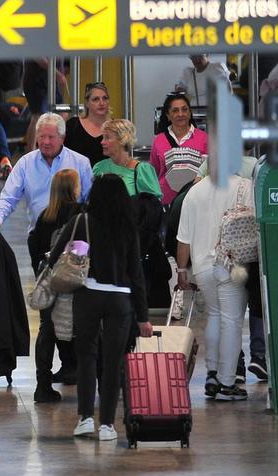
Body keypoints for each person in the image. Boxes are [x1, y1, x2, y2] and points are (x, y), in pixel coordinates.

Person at [47, 176, 152, 443]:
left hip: (88, 295)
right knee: (114, 362)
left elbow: (56, 254)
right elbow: (137, 274)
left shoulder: (81, 222)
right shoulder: (128, 227)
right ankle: (107, 425)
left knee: (86, 357)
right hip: (120, 298)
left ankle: (84, 418)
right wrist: (143, 317)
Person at [176, 165, 253, 402]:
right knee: (231, 321)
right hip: (232, 265)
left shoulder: (194, 191)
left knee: (215, 315)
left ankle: (212, 373)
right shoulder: (244, 186)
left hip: (202, 267)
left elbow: (183, 239)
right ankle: (227, 381)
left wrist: (181, 271)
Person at [26, 169, 84, 401]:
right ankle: (81, 372)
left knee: (47, 329)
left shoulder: (44, 217)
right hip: (75, 279)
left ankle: (43, 384)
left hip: (51, 278)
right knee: (80, 327)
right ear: (73, 188)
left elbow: (34, 246)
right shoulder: (81, 214)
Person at [0, 113, 93, 233]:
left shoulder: (81, 163)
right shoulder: (25, 163)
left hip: (73, 235)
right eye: (42, 137)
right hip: (38, 236)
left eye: (51, 137)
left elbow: (90, 201)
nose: (46, 142)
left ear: (62, 138)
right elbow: (8, 198)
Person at [150, 93, 208, 206]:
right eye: (175, 110)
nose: (181, 114)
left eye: (184, 109)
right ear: (168, 115)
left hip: (197, 201)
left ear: (190, 112)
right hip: (166, 203)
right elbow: (154, 173)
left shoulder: (204, 139)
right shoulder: (159, 140)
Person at [91, 119, 162, 198]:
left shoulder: (141, 170)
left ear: (123, 140)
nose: (102, 142)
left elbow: (153, 205)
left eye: (107, 137)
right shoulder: (99, 167)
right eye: (103, 137)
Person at [64, 82, 113, 166]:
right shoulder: (72, 126)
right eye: (96, 99)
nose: (101, 103)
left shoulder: (116, 128)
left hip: (106, 177)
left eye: (105, 98)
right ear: (87, 103)